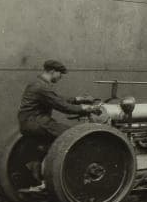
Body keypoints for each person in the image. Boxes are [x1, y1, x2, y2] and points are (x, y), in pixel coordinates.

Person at [18, 60, 102, 190]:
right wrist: (86, 108)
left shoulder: (36, 83)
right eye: (60, 73)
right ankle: (73, 176)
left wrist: (78, 99)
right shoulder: (42, 87)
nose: (61, 77)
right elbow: (62, 106)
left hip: (27, 123)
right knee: (74, 137)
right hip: (38, 122)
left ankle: (37, 183)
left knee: (41, 149)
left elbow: (56, 98)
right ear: (52, 71)